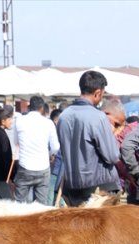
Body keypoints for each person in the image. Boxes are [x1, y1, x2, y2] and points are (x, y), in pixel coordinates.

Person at [57, 70, 121, 206]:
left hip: (73, 185)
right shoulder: (98, 117)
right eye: (102, 94)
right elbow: (112, 156)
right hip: (98, 188)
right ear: (97, 93)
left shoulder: (64, 116)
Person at [14, 95, 60, 205]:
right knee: (41, 205)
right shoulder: (48, 123)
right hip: (43, 166)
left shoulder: (19, 121)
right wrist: (49, 154)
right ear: (42, 108)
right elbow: (56, 147)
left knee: (19, 203)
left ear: (29, 107)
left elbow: (16, 142)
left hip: (25, 165)